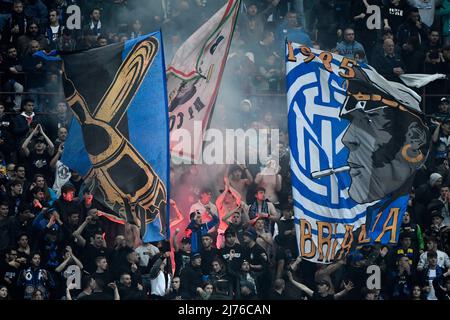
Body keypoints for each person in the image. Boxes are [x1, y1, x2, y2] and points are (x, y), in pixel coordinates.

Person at [287, 270, 354, 300]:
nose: (319, 286)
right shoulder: (315, 295)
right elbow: (304, 287)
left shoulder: (330, 298)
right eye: (319, 285)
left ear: (327, 288)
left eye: (321, 285)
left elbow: (339, 294)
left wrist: (346, 290)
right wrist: (292, 281)